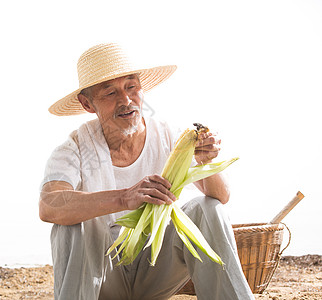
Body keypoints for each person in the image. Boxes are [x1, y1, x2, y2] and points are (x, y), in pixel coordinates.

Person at [39, 43, 254, 300]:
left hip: (156, 269)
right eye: (109, 93)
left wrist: (205, 162)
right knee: (71, 223)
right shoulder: (74, 148)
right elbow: (49, 204)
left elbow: (222, 194)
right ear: (87, 104)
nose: (126, 100)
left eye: (131, 87)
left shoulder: (170, 136)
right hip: (103, 278)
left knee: (208, 209)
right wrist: (124, 197)